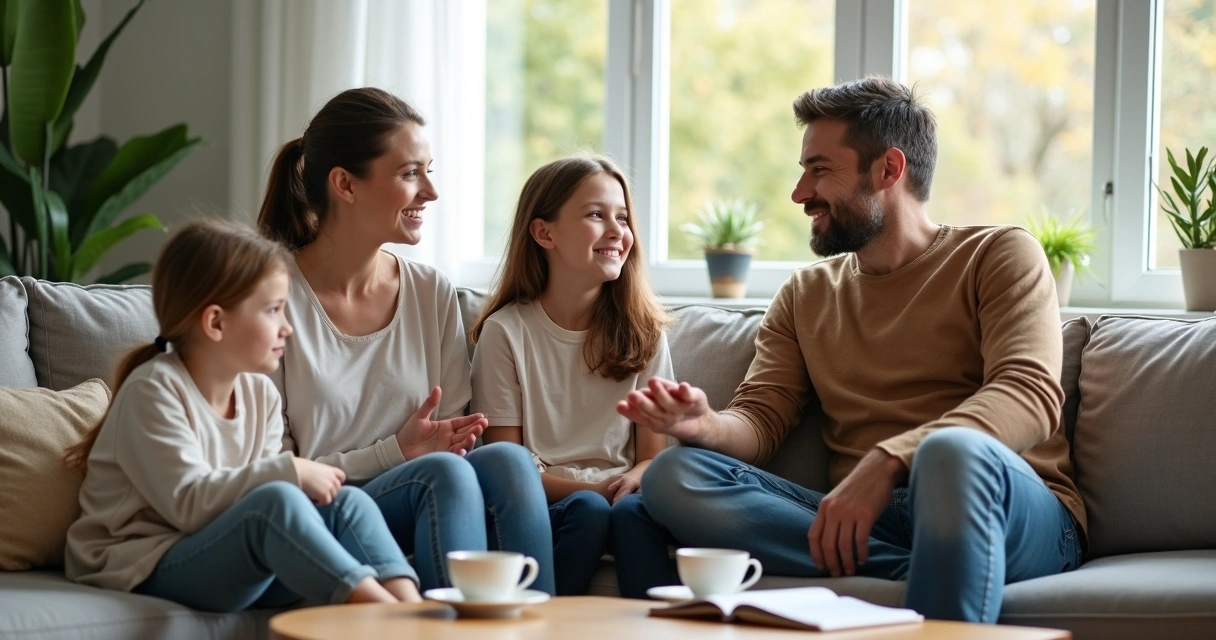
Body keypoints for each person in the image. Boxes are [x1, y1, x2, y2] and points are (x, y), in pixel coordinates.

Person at [618, 76, 1086, 622]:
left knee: (951, 454)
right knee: (673, 476)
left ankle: (953, 556)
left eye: (819, 169)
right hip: (866, 522)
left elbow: (1028, 394)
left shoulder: (998, 255)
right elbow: (760, 421)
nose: (799, 193)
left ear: (888, 169)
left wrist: (888, 461)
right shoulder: (805, 293)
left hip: (1008, 508)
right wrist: (705, 426)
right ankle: (942, 566)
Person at [257, 87, 554, 593]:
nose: (430, 192)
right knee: (444, 474)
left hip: (423, 495)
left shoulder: (430, 291)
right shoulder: (266, 299)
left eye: (428, 171)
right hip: (321, 513)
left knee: (507, 460)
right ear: (345, 184)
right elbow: (273, 474)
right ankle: (448, 624)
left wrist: (430, 450)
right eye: (410, 173)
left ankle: (538, 620)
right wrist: (393, 453)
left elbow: (455, 437)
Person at [65, 220, 418, 611]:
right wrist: (290, 470)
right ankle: (388, 617)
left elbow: (252, 495)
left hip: (223, 550)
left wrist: (287, 479)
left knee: (348, 503)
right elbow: (189, 505)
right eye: (273, 311)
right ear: (216, 322)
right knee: (277, 502)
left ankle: (414, 611)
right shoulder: (153, 390)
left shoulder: (260, 394)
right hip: (144, 560)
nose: (287, 328)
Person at [469, 155, 677, 598]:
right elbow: (508, 468)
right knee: (587, 509)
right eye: (596, 214)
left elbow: (652, 456)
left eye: (623, 218)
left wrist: (631, 479)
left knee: (630, 514)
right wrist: (593, 490)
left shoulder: (645, 333)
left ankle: (664, 622)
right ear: (545, 233)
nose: (617, 231)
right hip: (547, 503)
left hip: (622, 498)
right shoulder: (505, 332)